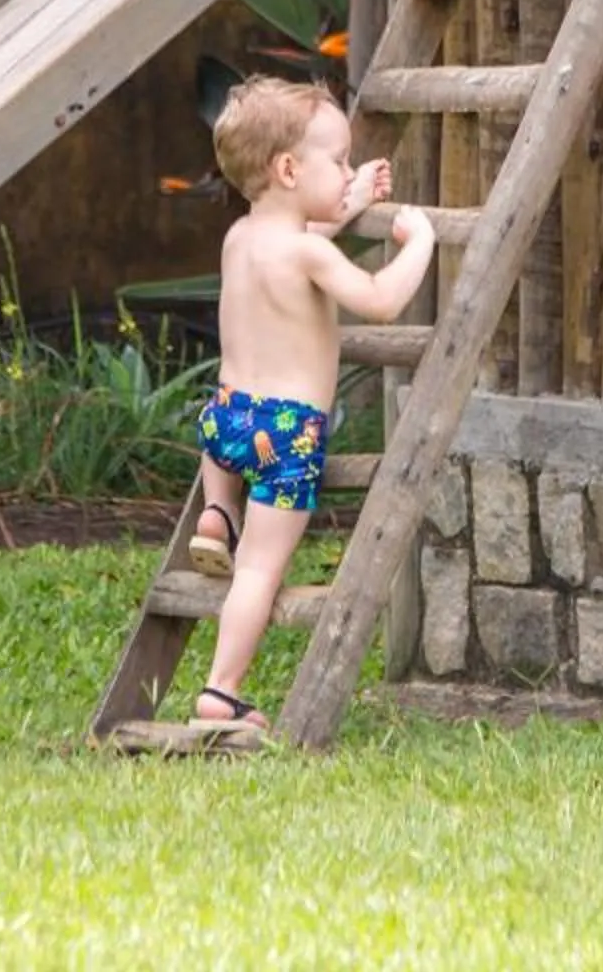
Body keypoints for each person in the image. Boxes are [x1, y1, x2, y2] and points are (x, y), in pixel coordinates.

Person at [182, 76, 434, 736]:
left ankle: (216, 511)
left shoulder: (241, 238)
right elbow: (380, 300)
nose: (348, 171)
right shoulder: (310, 252)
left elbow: (299, 222)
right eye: (340, 160)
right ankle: (222, 690)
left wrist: (351, 198)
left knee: (229, 483)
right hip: (286, 435)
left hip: (227, 418)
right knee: (258, 569)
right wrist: (420, 243)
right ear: (289, 170)